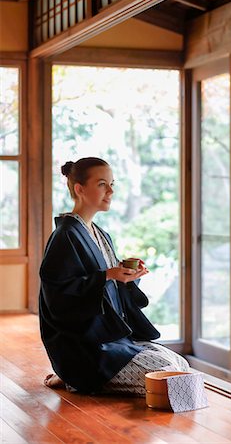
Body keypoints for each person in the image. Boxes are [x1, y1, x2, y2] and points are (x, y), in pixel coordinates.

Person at [39, 157, 189, 395]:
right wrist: (107, 275)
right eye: (102, 184)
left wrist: (124, 277)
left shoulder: (100, 234)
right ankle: (73, 377)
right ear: (79, 189)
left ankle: (73, 379)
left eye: (111, 184)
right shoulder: (65, 236)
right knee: (171, 377)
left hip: (111, 341)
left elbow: (104, 282)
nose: (111, 191)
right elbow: (58, 297)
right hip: (87, 348)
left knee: (179, 364)